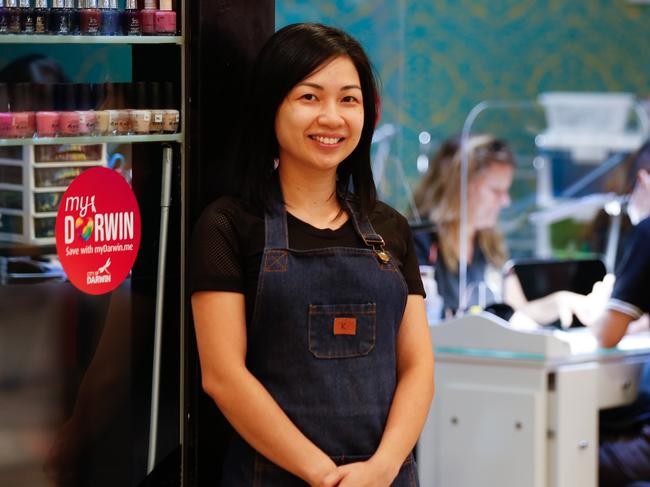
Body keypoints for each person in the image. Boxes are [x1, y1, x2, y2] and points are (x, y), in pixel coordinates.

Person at [190, 23, 434, 487]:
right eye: (309, 97)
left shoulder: (390, 230)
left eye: (348, 99)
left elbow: (418, 367)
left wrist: (381, 470)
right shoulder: (228, 225)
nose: (332, 117)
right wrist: (325, 477)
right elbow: (222, 376)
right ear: (271, 106)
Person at [412, 134, 514, 315]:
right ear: (459, 187)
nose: (505, 201)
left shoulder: (488, 242)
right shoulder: (419, 242)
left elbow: (516, 307)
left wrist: (557, 302)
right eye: (495, 190)